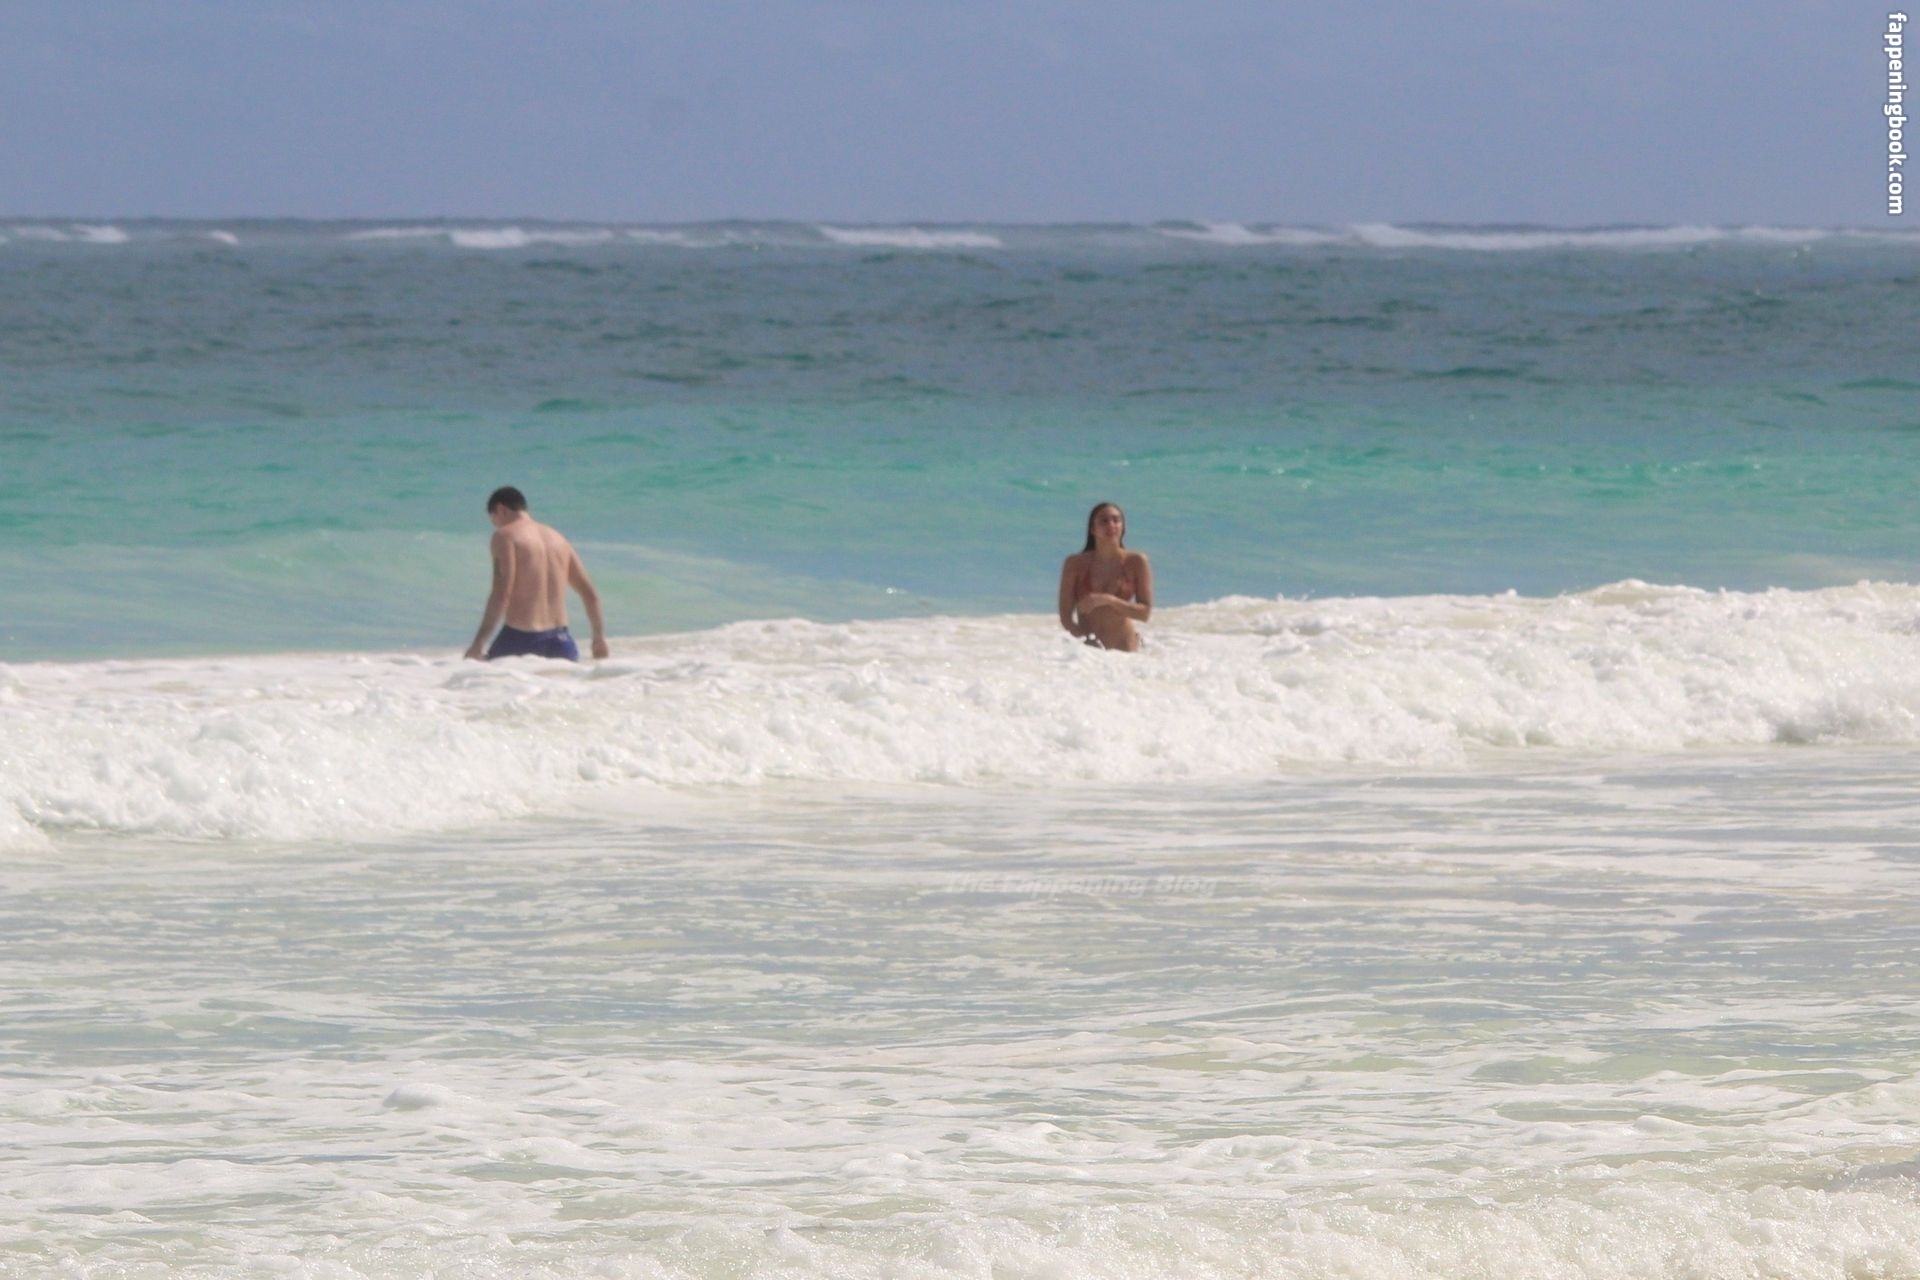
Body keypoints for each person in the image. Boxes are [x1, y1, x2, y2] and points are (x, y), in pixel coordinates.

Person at [464, 486, 610, 661]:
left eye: (493, 520)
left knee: (478, 673)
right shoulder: (559, 538)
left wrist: (478, 643)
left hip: (521, 639)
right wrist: (598, 638)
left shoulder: (505, 536)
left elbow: (502, 594)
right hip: (561, 641)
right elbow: (590, 594)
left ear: (501, 509)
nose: (496, 525)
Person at [1058, 501, 1153, 652]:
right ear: (1092, 529)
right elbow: (1065, 617)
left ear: (1123, 527)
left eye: (1116, 520)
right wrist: (1083, 640)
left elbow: (1144, 613)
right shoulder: (1074, 564)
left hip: (1126, 649)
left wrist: (1108, 600)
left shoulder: (1136, 561)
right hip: (1088, 655)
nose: (1111, 525)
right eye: (1104, 521)